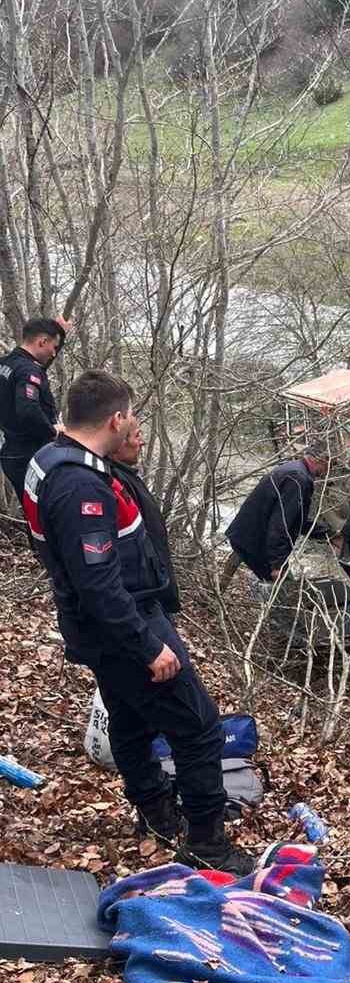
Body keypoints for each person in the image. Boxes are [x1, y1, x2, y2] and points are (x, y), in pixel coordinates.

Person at [24, 370, 254, 874]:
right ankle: (207, 845)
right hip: (123, 625)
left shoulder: (52, 457)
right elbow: (98, 584)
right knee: (197, 728)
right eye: (131, 418)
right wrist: (148, 645)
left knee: (130, 715)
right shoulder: (79, 485)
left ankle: (154, 812)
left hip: (104, 623)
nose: (136, 428)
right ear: (116, 418)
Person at [222, 446, 337, 586]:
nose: (328, 471)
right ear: (320, 460)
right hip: (254, 539)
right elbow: (280, 523)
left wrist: (329, 535)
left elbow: (297, 519)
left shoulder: (294, 469)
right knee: (285, 589)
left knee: (280, 586)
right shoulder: (298, 478)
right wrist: (278, 564)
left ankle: (215, 597)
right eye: (329, 465)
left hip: (245, 534)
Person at [111, 416, 179, 616]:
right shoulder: (115, 483)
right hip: (145, 600)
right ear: (118, 441)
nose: (142, 442)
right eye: (137, 435)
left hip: (155, 592)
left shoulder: (127, 476)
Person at [0, 316, 67, 502]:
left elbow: (37, 368)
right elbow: (28, 410)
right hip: (28, 455)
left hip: (12, 452)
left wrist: (61, 334)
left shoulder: (6, 363)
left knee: (33, 513)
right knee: (42, 515)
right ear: (42, 341)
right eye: (53, 348)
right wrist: (53, 431)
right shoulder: (28, 371)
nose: (54, 354)